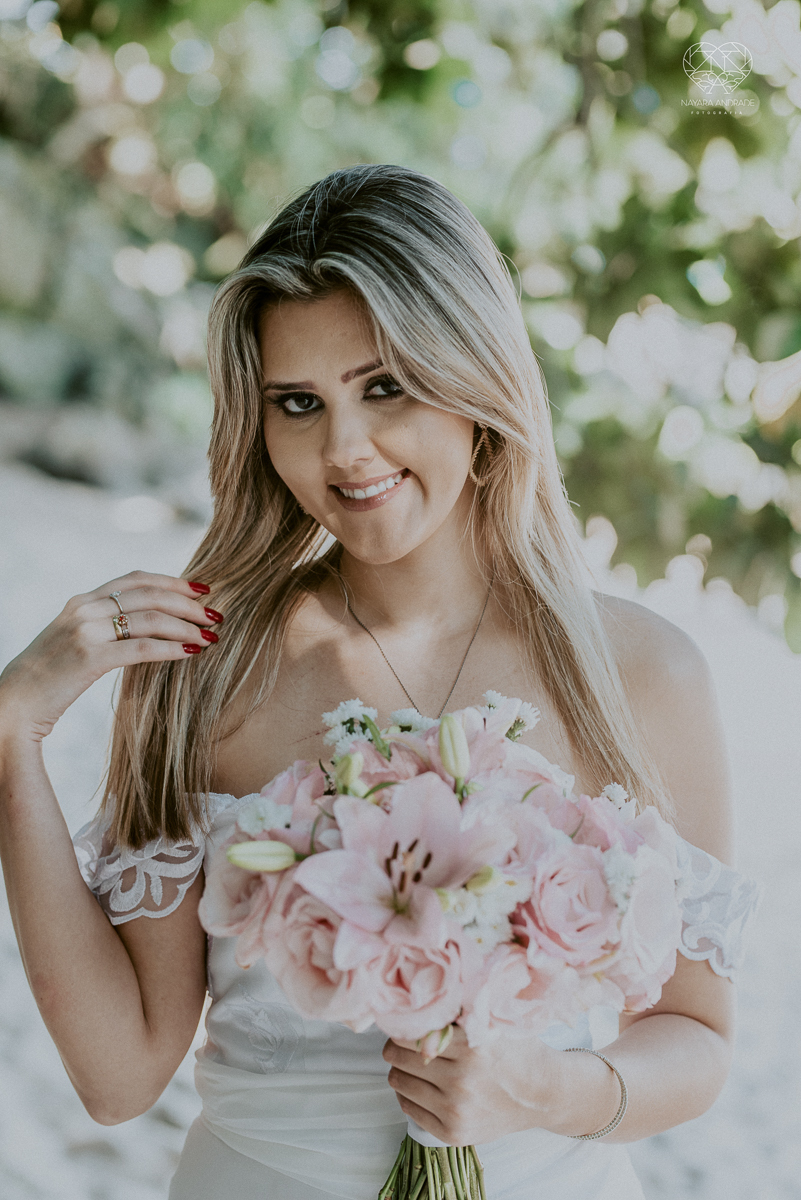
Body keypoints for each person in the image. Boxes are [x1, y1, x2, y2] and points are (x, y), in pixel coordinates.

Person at [0, 165, 760, 1200]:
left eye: (386, 386)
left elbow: (699, 1036)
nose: (343, 451)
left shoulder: (645, 674)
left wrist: (551, 1092)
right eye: (298, 404)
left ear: (476, 375)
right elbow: (121, 1075)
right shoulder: (202, 666)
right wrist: (12, 737)